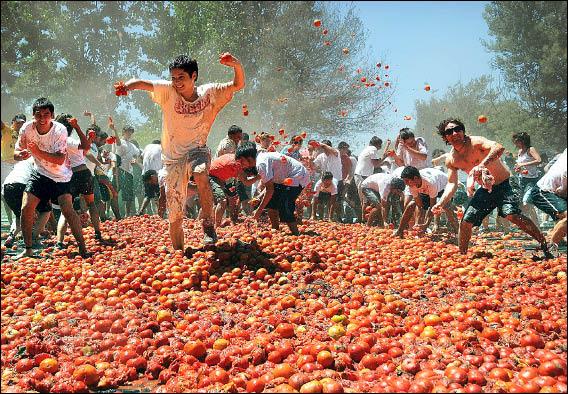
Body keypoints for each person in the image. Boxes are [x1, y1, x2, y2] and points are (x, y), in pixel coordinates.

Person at [118, 53, 245, 248]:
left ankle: (208, 226)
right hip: (172, 160)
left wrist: (236, 65)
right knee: (175, 216)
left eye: (181, 78)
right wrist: (127, 86)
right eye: (174, 78)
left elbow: (237, 85)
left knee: (201, 172)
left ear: (194, 76)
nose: (177, 83)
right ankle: (179, 253)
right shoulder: (168, 92)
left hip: (197, 150)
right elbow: (143, 83)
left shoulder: (209, 93)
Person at [431, 118, 553, 258]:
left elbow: (499, 147)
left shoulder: (476, 142)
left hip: (506, 184)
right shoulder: (451, 159)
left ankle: (545, 244)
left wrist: (482, 164)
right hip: (486, 190)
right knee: (466, 221)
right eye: (449, 131)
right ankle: (462, 257)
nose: (454, 133)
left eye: (458, 129)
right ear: (445, 136)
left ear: (463, 131)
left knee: (511, 214)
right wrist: (441, 202)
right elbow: (452, 183)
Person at [13, 97, 89, 258]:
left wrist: (37, 152)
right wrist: (22, 154)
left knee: (67, 210)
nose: (42, 118)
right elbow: (16, 153)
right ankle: (28, 249)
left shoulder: (59, 130)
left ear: (52, 115)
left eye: (46, 114)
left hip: (61, 176)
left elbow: (60, 159)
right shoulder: (26, 129)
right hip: (40, 173)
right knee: (26, 207)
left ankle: (83, 248)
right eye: (38, 115)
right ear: (33, 115)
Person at [236, 142, 310, 235]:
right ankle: (275, 230)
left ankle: (296, 233)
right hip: (284, 179)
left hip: (297, 175)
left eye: (242, 161)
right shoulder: (260, 160)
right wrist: (258, 195)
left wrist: (258, 211)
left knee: (285, 204)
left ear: (249, 158)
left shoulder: (261, 163)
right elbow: (269, 185)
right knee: (271, 203)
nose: (241, 165)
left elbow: (270, 189)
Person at [53, 114, 103, 248]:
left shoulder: (55, 142)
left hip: (69, 177)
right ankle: (98, 233)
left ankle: (59, 241)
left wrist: (89, 139)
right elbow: (85, 147)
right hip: (83, 174)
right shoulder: (69, 140)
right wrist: (79, 128)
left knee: (66, 209)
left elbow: (85, 150)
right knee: (91, 204)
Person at [1, 158, 52, 248]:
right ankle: (33, 238)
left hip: (7, 188)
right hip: (23, 184)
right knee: (46, 211)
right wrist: (49, 224)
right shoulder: (40, 161)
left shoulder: (21, 163)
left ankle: (11, 236)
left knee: (19, 215)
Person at [395, 166, 458, 237]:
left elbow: (432, 206)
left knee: (446, 207)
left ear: (415, 178)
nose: (405, 183)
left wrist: (426, 224)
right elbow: (419, 205)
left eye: (406, 181)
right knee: (411, 204)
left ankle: (457, 232)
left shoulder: (430, 183)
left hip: (443, 186)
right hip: (427, 190)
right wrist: (418, 224)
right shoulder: (412, 185)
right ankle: (399, 231)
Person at [209, 152, 260, 227]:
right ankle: (216, 227)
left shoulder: (237, 159)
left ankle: (222, 222)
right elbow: (246, 182)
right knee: (222, 201)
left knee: (230, 200)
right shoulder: (238, 166)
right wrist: (258, 177)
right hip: (212, 177)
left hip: (220, 179)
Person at [530, 148, 566, 250]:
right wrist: (563, 189)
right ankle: (551, 247)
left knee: (560, 217)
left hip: (556, 191)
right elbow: (565, 173)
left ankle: (560, 241)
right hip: (543, 191)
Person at [108, 120, 141, 217]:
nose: (129, 133)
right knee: (115, 192)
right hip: (119, 170)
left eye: (131, 132)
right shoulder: (120, 141)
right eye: (127, 131)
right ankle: (116, 215)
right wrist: (114, 130)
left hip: (129, 172)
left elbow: (138, 154)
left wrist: (136, 160)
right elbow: (118, 142)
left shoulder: (133, 146)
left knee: (129, 196)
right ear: (123, 132)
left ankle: (127, 215)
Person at [1, 115, 26, 231]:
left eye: (23, 123)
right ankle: (12, 221)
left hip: (19, 165)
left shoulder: (24, 135)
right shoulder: (7, 130)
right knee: (5, 194)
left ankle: (19, 221)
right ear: (12, 122)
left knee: (21, 193)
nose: (20, 125)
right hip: (5, 164)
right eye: (18, 122)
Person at [354, 136, 387, 221]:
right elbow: (376, 164)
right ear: (377, 144)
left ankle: (367, 219)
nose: (380, 148)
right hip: (362, 176)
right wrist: (385, 158)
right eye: (380, 145)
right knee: (366, 199)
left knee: (367, 200)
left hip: (362, 175)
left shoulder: (367, 149)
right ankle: (364, 220)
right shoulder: (373, 149)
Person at [512, 132, 542, 226]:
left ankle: (533, 225)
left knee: (526, 202)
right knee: (522, 204)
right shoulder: (520, 152)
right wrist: (518, 168)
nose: (515, 144)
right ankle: (533, 225)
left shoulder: (531, 149)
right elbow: (519, 164)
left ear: (522, 141)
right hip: (522, 179)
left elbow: (539, 160)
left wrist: (523, 164)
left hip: (532, 180)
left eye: (517, 141)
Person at [140, 139, 163, 215]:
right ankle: (161, 213)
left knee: (148, 195)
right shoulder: (161, 147)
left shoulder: (148, 146)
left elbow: (141, 157)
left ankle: (140, 211)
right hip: (156, 174)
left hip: (145, 174)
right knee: (159, 194)